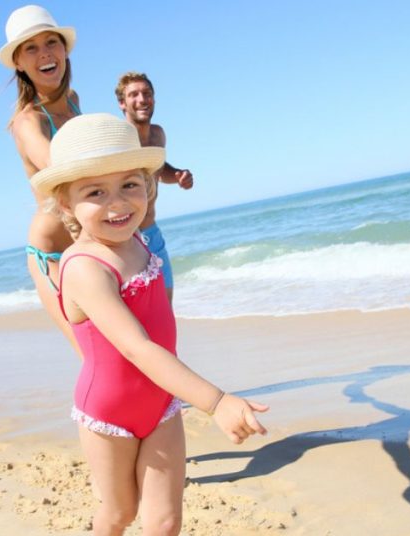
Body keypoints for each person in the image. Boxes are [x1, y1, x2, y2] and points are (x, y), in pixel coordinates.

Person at [31, 113, 269, 535]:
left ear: (148, 184)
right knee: (120, 512)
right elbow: (137, 347)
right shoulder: (85, 267)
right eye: (95, 192)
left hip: (160, 403)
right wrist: (216, 401)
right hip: (108, 412)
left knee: (164, 522)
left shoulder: (138, 239)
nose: (118, 204)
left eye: (129, 185)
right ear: (66, 203)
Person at [0, 5, 82, 342]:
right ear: (18, 62)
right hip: (53, 256)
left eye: (51, 42)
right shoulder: (28, 121)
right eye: (30, 48)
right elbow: (61, 170)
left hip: (88, 240)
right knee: (94, 355)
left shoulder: (75, 101)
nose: (44, 53)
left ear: (64, 49)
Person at [115, 72, 194, 302]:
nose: (142, 99)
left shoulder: (158, 135)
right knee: (142, 311)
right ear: (122, 103)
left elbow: (158, 170)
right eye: (133, 95)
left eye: (147, 93)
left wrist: (177, 175)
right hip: (129, 238)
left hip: (153, 233)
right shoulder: (119, 140)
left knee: (165, 307)